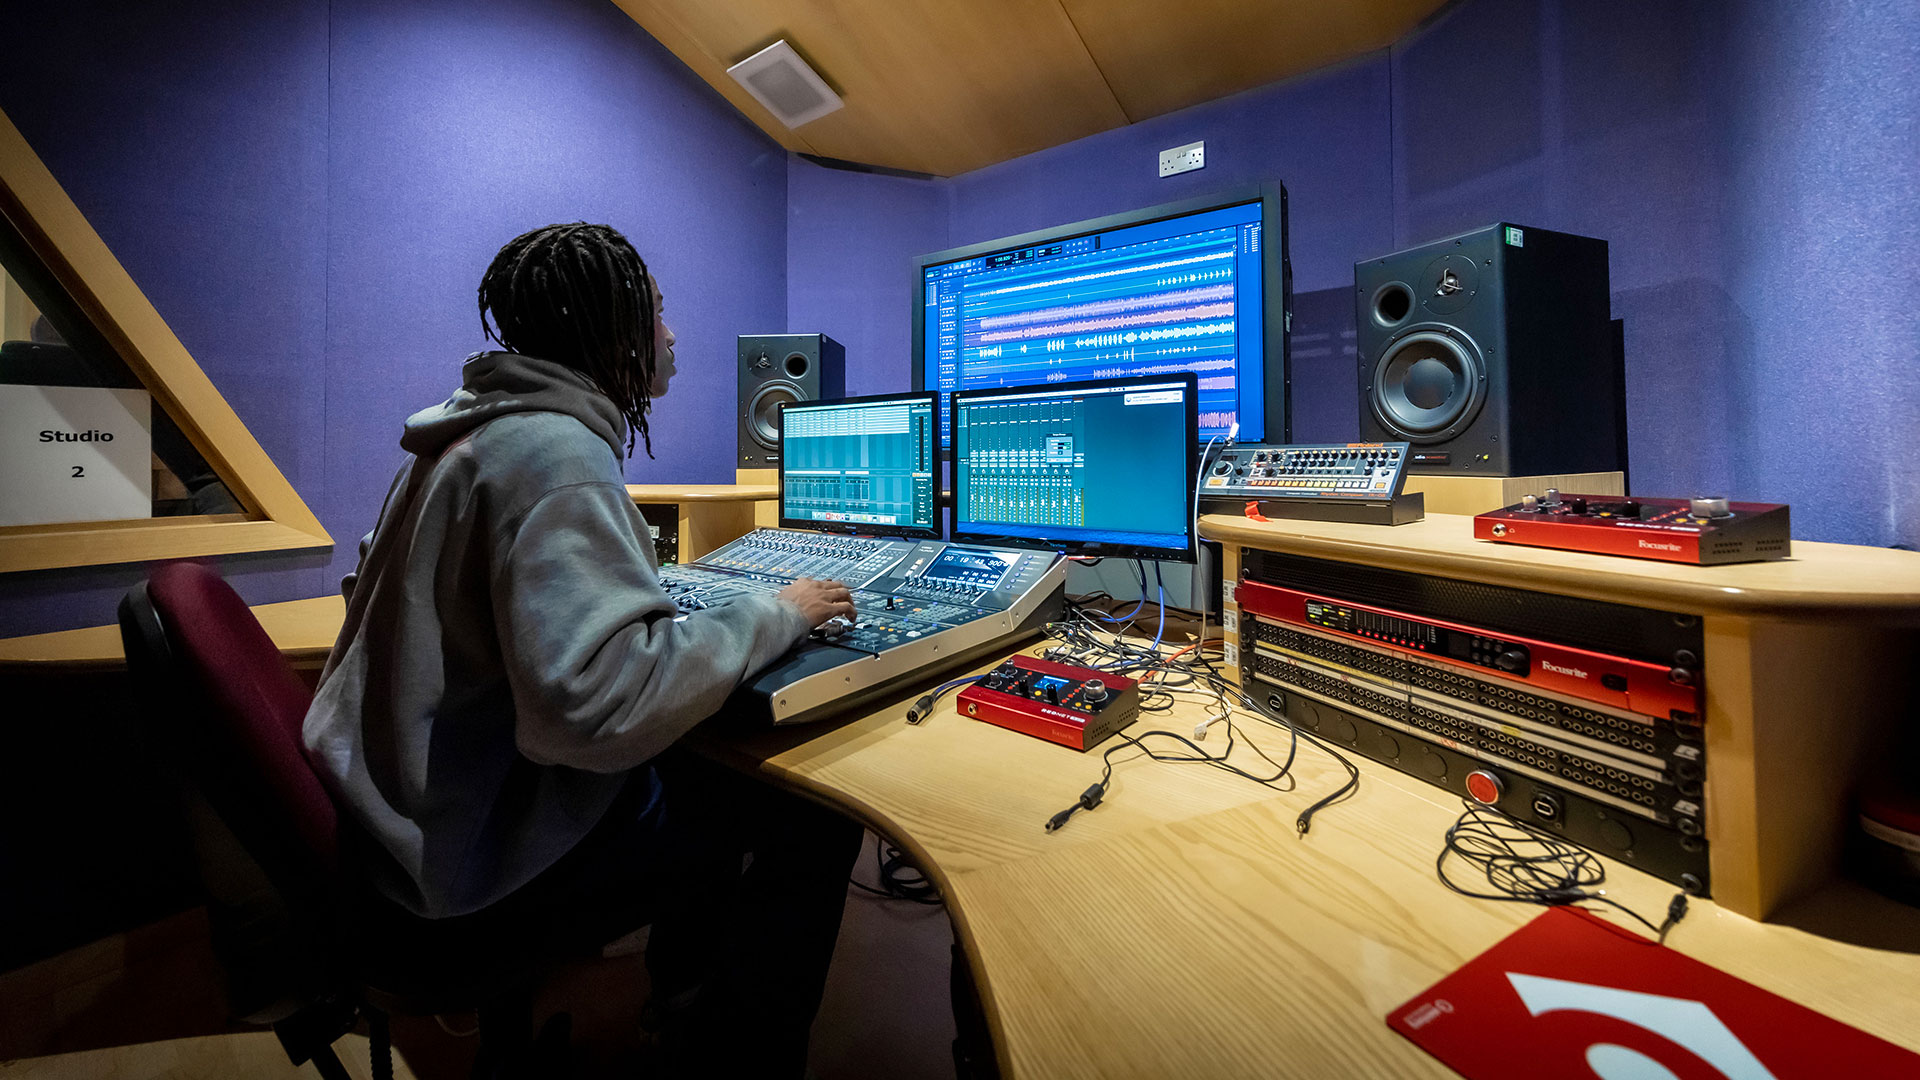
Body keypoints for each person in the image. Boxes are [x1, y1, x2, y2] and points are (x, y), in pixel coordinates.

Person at [302, 222, 863, 1076]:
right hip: (462, 851)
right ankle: (735, 1055)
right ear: (616, 327)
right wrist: (776, 613)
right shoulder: (555, 451)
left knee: (709, 769)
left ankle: (678, 1003)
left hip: (401, 813)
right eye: (661, 314)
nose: (673, 337)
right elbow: (594, 716)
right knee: (810, 818)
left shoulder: (469, 432)